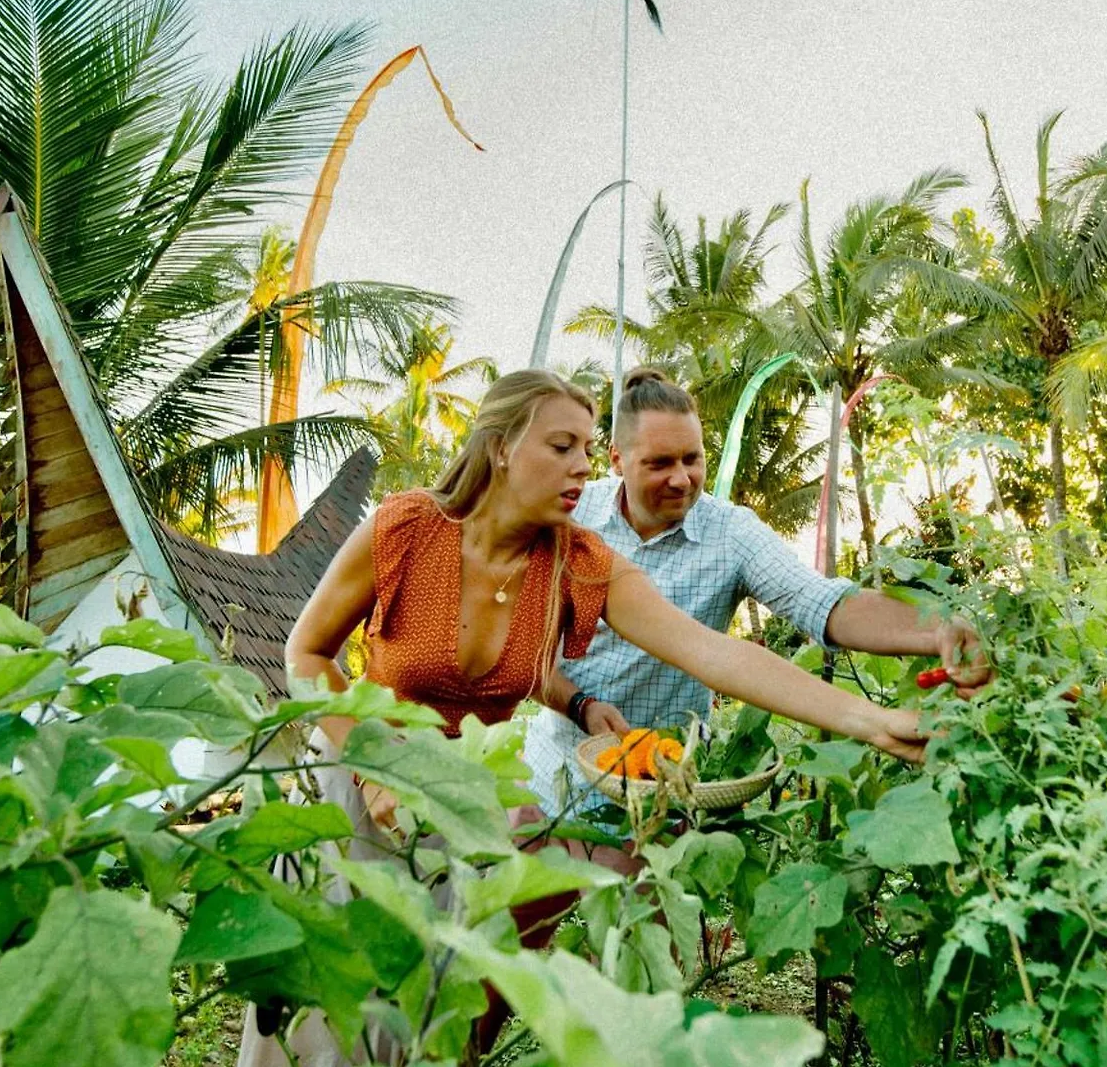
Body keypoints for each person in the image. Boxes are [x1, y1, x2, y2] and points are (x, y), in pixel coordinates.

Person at [241, 369, 927, 1066]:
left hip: (458, 808)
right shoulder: (406, 527)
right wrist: (377, 768)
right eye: (563, 446)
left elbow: (714, 654)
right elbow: (307, 653)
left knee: (420, 1023)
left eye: (588, 448)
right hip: (356, 783)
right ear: (504, 446)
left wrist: (870, 720)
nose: (582, 466)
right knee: (317, 1015)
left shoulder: (579, 563)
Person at [524, 367, 991, 817]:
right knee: (536, 888)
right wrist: (579, 704)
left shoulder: (729, 533)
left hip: (672, 781)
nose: (681, 478)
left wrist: (937, 629)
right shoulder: (572, 518)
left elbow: (823, 603)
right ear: (616, 458)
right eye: (660, 463)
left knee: (649, 890)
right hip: (559, 766)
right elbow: (522, 649)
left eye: (692, 458)